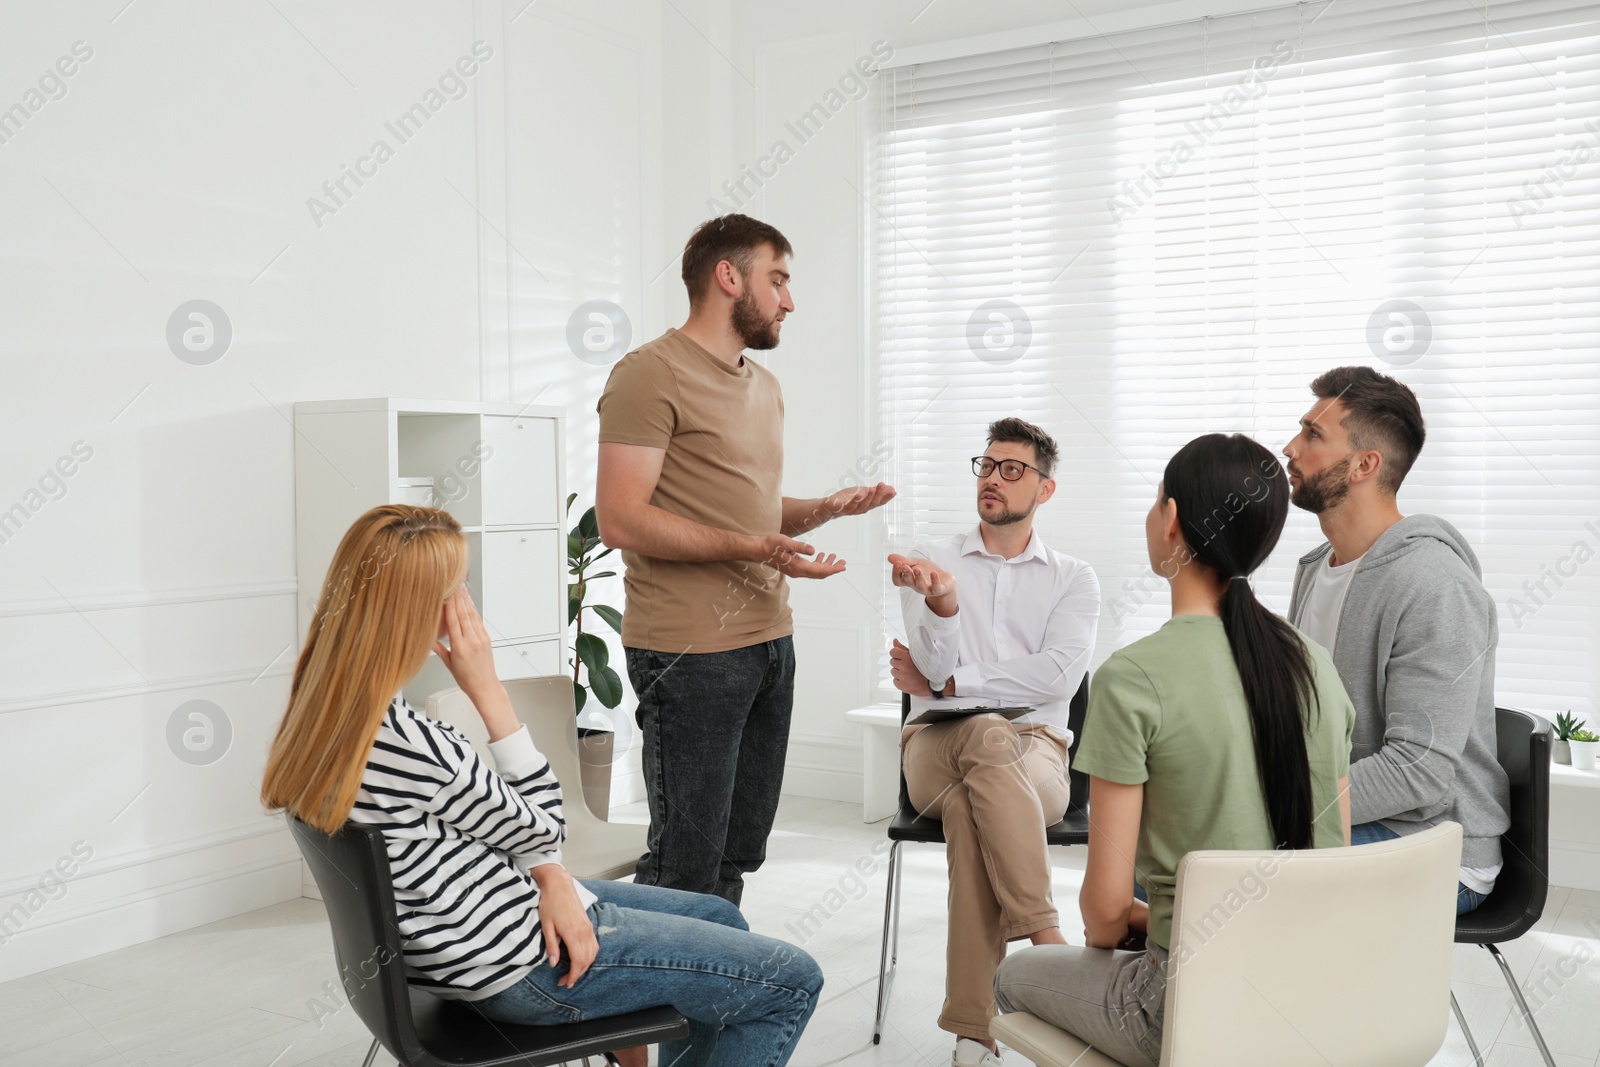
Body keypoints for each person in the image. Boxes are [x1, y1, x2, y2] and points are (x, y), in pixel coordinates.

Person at [261, 505, 823, 1067]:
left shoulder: (323, 715)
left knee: (716, 915)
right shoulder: (412, 744)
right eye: (458, 591)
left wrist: (551, 876)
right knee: (792, 982)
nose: (468, 608)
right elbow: (548, 825)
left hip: (481, 933)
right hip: (520, 967)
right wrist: (489, 691)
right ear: (417, 613)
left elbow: (518, 837)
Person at [993, 434, 1354, 1067]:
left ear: (1171, 520)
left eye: (1156, 500)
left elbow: (1104, 916)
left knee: (1014, 976)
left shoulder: (1133, 676)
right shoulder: (1315, 665)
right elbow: (1335, 858)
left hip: (1182, 1004)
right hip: (1306, 993)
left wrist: (1150, 918)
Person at [594, 213, 894, 904]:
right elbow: (622, 518)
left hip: (768, 643)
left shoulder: (764, 386)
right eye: (778, 279)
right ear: (729, 277)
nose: (789, 299)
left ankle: (715, 995)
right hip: (688, 653)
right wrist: (758, 547)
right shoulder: (648, 375)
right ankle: (658, 1004)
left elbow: (746, 508)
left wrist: (826, 507)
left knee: (737, 851)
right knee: (684, 865)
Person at [886, 417, 1100, 1067]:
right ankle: (1047, 940)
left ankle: (973, 1029)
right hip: (933, 744)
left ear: (1046, 488)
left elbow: (1059, 675)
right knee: (980, 731)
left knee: (972, 803)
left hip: (1036, 749)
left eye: (1013, 469)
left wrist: (950, 679)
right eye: (987, 464)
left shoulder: (1073, 577)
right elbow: (930, 665)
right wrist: (945, 607)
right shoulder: (933, 559)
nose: (994, 478)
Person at [1283, 365, 1509, 912]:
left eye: (1313, 434)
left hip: (1435, 846)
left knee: (1208, 875)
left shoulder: (1435, 585)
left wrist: (1277, 805)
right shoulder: (1315, 567)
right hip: (1357, 819)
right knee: (1174, 859)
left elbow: (1418, 771)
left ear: (1365, 464)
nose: (1290, 447)